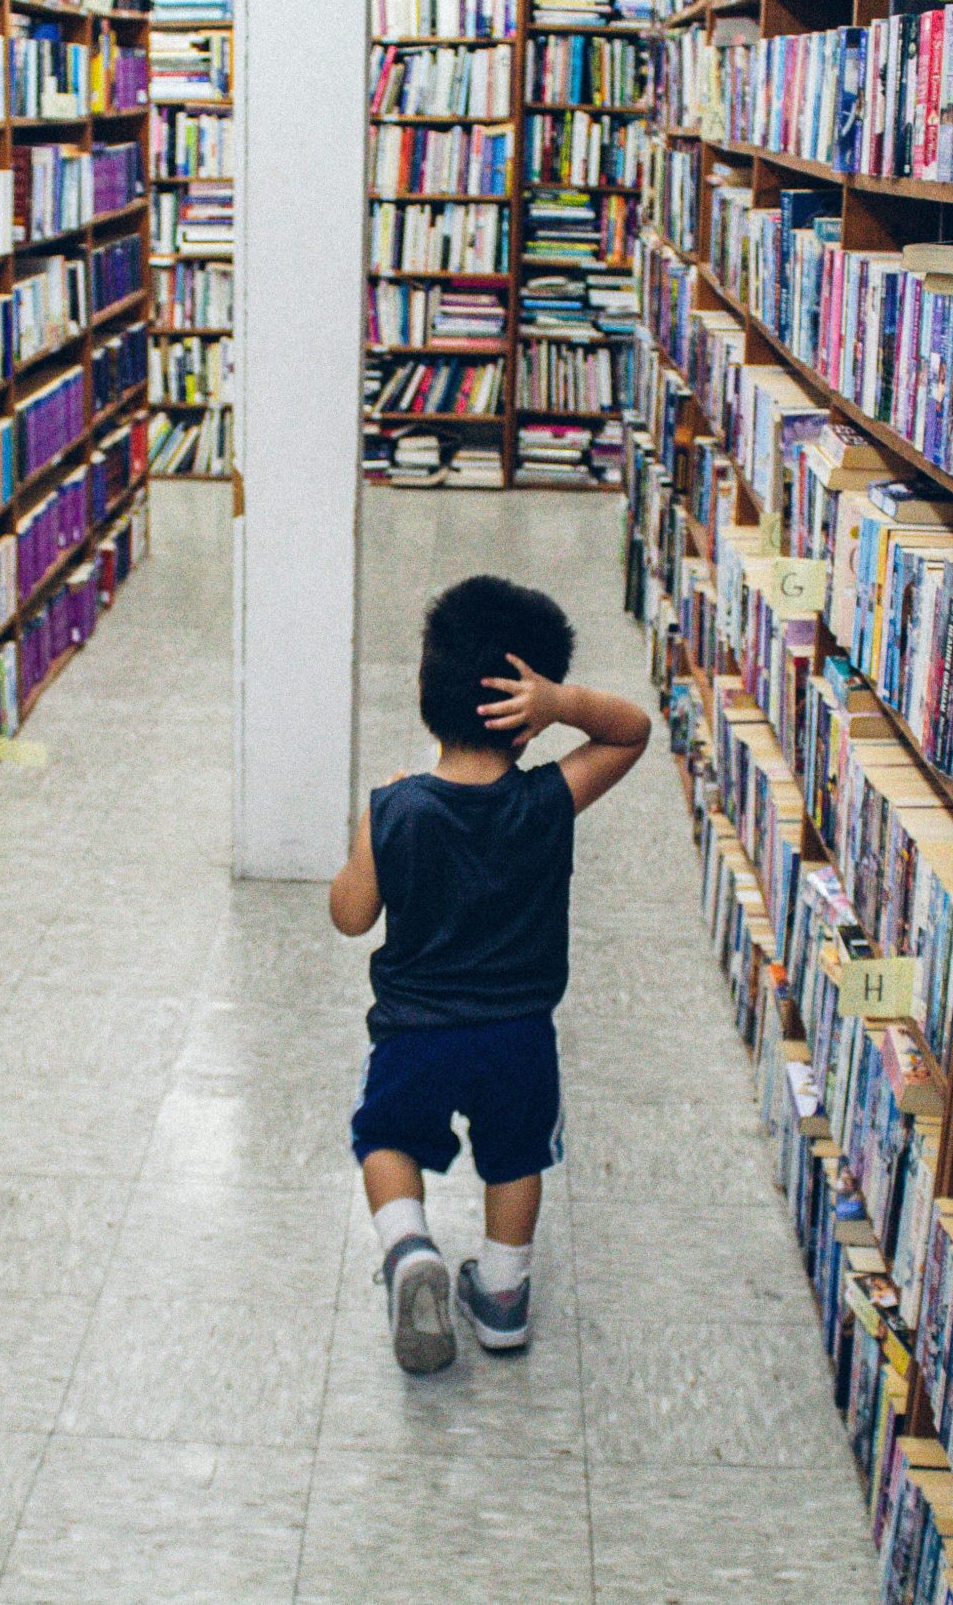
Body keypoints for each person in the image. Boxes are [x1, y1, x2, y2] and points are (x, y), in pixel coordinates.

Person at [327, 576, 651, 1373]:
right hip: (518, 1036)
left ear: (424, 692)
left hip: (414, 1037)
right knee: (515, 1158)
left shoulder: (395, 810)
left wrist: (366, 834)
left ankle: (408, 1250)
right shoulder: (546, 802)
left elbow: (349, 914)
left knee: (387, 1138)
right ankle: (503, 1297)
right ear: (527, 723)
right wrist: (564, 701)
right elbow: (633, 732)